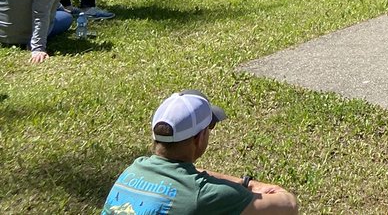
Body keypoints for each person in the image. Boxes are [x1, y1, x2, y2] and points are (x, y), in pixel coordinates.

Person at [102, 89, 299, 214]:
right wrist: (257, 187)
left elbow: (192, 176)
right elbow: (288, 205)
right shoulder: (205, 195)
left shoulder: (133, 170)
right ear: (199, 138)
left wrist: (244, 183)